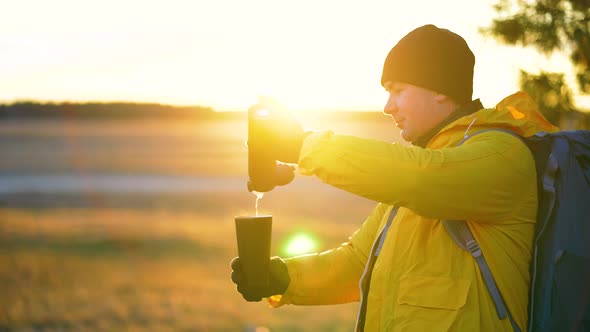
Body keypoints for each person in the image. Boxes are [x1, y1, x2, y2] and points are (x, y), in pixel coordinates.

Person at [230, 24, 557, 331]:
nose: (388, 106)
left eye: (398, 90)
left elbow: (423, 179)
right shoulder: (419, 171)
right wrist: (284, 278)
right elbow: (358, 261)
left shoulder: (500, 154)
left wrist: (301, 145)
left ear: (440, 88)